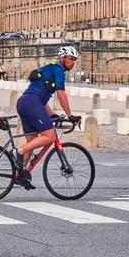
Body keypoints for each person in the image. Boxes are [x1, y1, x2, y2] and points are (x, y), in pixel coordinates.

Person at [13, 46, 82, 189]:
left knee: (31, 143)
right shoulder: (58, 70)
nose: (73, 63)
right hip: (32, 103)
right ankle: (18, 152)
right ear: (62, 58)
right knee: (50, 136)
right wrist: (70, 116)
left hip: (25, 102)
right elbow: (61, 95)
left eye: (75, 60)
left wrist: (54, 115)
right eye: (71, 59)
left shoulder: (48, 68)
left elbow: (42, 100)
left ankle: (20, 175)